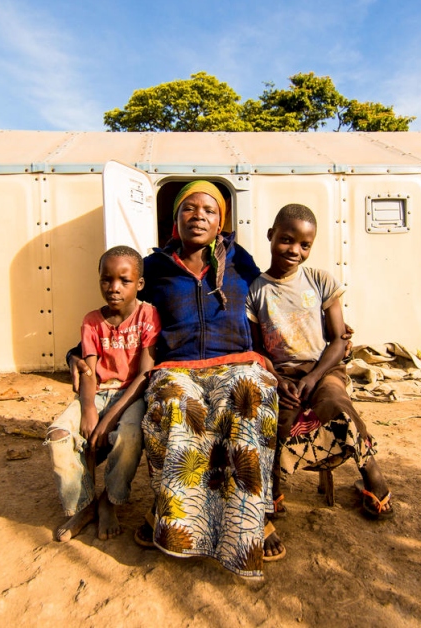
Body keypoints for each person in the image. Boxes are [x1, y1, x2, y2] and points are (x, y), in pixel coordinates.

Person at [75, 181, 283, 578]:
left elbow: (271, 296)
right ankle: (170, 517)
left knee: (248, 396)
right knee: (172, 403)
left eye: (209, 209)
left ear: (220, 222)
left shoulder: (240, 260)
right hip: (177, 366)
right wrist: (76, 353)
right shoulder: (153, 267)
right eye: (189, 208)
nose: (199, 215)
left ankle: (248, 523)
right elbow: (119, 311)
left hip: (235, 361)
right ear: (175, 219)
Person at [245, 204, 394, 520]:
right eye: (286, 240)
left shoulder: (320, 281)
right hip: (282, 375)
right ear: (271, 235)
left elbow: (339, 338)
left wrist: (313, 377)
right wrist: (277, 379)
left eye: (305, 245)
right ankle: (273, 492)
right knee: (277, 422)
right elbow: (257, 350)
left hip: (324, 369)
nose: (295, 250)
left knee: (338, 405)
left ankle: (373, 477)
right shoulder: (255, 290)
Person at [46, 246, 160, 542]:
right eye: (106, 280)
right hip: (97, 393)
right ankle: (83, 505)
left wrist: (110, 415)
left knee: (130, 435)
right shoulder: (91, 321)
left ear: (140, 284)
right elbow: (87, 370)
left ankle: (110, 500)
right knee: (58, 435)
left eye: (124, 280)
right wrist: (88, 409)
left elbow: (145, 375)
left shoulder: (148, 316)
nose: (114, 288)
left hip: (130, 397)